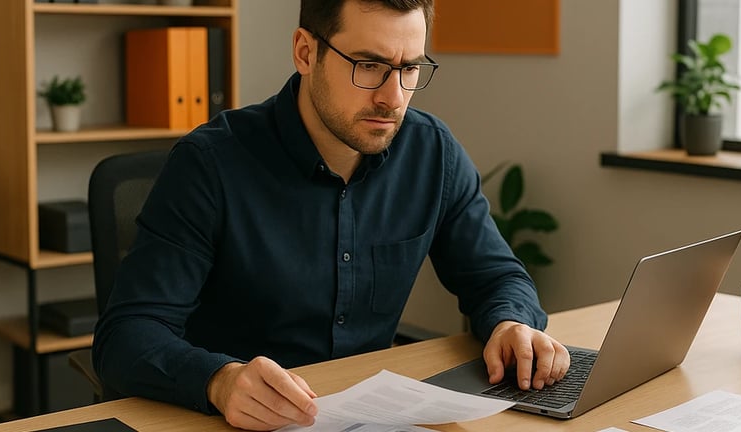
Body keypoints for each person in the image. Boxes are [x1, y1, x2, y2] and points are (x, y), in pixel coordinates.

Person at [92, 0, 570, 430]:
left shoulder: (433, 154)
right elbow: (127, 336)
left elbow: (496, 276)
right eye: (369, 65)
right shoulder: (210, 165)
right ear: (305, 53)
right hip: (234, 423)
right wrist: (218, 380)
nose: (393, 97)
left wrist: (510, 324)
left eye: (409, 68)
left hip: (371, 417)